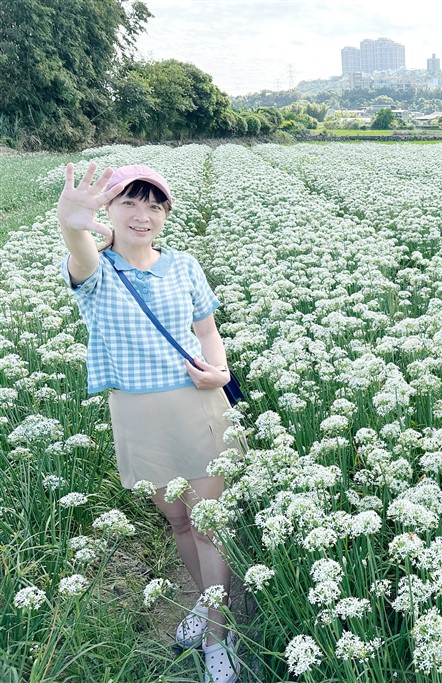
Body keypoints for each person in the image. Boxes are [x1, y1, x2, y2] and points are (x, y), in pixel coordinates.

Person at [57, 162, 241, 683]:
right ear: (108, 211)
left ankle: (217, 634)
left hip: (197, 404)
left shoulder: (183, 266)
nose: (143, 215)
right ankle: (206, 606)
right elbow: (78, 247)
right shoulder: (96, 270)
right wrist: (71, 221)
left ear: (165, 214)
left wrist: (219, 370)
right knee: (178, 519)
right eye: (129, 203)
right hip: (137, 412)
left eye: (154, 205)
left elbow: (207, 332)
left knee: (208, 524)